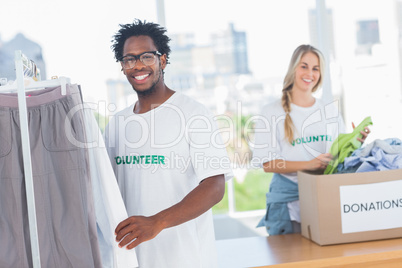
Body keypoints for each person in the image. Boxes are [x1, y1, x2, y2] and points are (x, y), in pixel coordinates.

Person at [104, 19, 233, 267]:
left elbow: (215, 186)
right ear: (122, 67)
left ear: (162, 60)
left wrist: (157, 222)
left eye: (146, 57)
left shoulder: (194, 114)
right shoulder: (116, 125)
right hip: (132, 258)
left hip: (186, 258)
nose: (138, 65)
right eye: (129, 59)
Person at [252, 44, 370, 236]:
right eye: (304, 66)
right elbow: (267, 164)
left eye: (315, 68)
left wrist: (355, 142)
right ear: (293, 69)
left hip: (323, 198)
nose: (310, 73)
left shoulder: (330, 111)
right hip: (288, 207)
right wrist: (308, 164)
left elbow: (337, 157)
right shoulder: (271, 112)